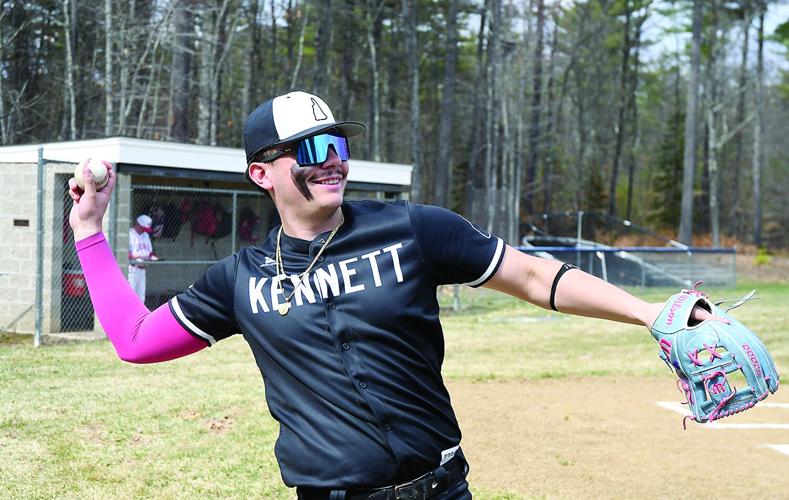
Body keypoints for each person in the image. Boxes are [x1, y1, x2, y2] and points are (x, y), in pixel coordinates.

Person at [68, 91, 717, 499]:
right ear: (261, 173)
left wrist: (647, 311)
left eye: (339, 144)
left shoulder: (410, 229)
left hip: (439, 488)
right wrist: (91, 232)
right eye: (311, 149)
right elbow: (134, 341)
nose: (333, 160)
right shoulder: (241, 279)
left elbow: (532, 275)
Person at [128, 214, 159, 302]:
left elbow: (150, 252)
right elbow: (126, 255)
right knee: (130, 297)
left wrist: (153, 257)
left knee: (141, 299)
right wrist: (141, 255)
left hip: (142, 270)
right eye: (143, 228)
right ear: (138, 224)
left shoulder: (145, 235)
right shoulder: (130, 234)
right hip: (132, 269)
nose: (144, 231)